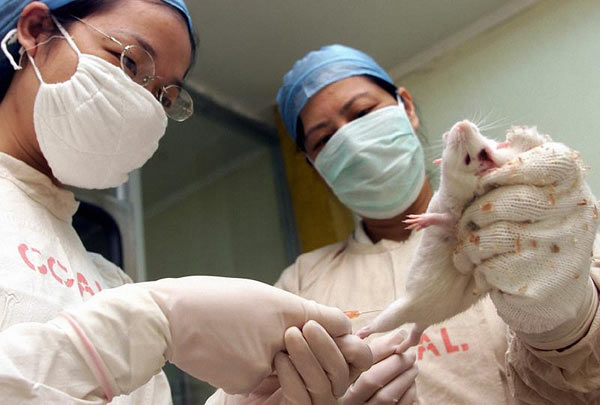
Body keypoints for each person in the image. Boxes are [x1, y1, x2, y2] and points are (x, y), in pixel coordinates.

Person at [0, 2, 373, 403]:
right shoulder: (134, 305)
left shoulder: (107, 278)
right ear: (37, 30)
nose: (142, 103)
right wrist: (152, 323)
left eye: (164, 96)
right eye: (129, 62)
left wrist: (251, 399)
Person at [210, 44, 600, 404]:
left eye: (362, 114)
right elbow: (240, 391)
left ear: (406, 107)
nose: (354, 144)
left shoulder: (521, 225)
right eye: (324, 139)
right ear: (315, 166)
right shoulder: (302, 282)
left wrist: (566, 326)